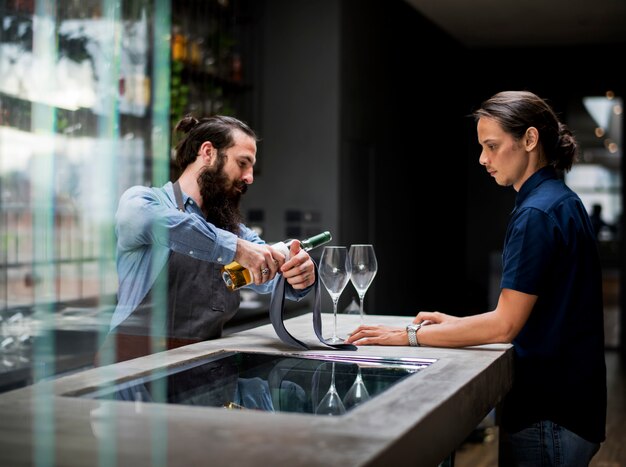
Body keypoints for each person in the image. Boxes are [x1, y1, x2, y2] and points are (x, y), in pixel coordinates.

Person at [346, 91, 607, 466]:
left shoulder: (536, 213)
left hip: (548, 411)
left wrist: (407, 335)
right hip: (572, 405)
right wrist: (456, 324)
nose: (482, 159)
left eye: (492, 145)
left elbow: (503, 326)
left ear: (530, 140)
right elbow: (537, 313)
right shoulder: (562, 200)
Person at [98, 114, 317, 364]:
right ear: (208, 152)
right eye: (243, 163)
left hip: (201, 366)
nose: (249, 177)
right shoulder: (144, 202)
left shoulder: (233, 230)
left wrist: (299, 277)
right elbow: (153, 222)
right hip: (132, 368)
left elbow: (271, 269)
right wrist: (234, 249)